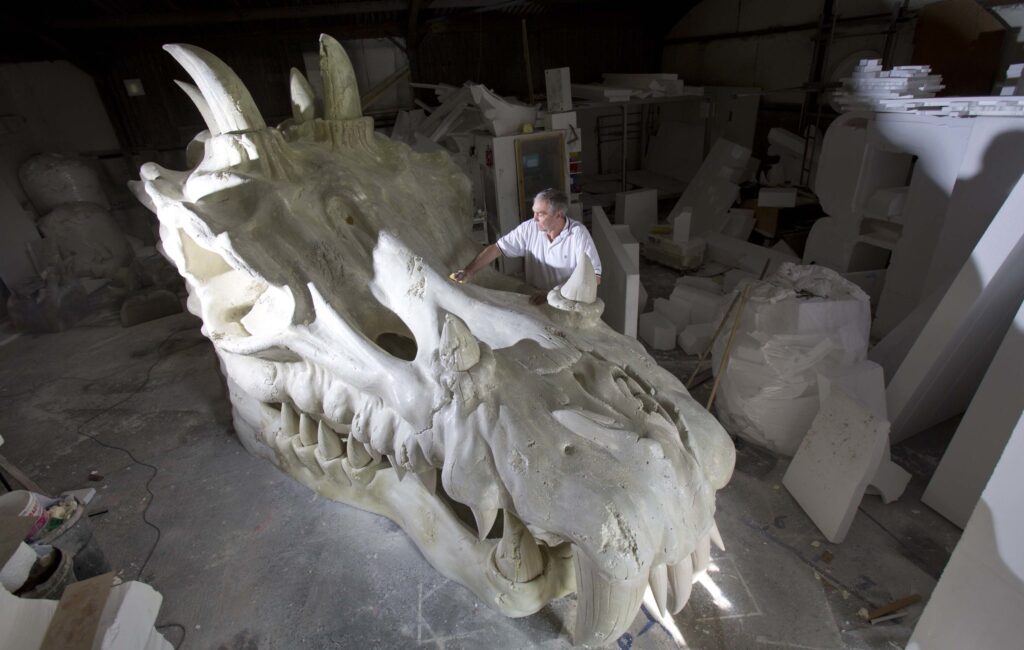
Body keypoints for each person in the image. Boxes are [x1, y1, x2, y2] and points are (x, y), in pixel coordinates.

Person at [452, 189, 602, 304]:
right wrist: (469, 271)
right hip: (534, 296)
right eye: (534, 212)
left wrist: (553, 294)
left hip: (566, 302)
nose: (534, 218)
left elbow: (594, 277)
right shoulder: (530, 228)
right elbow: (496, 249)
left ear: (558, 214)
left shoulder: (577, 234)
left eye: (540, 214)